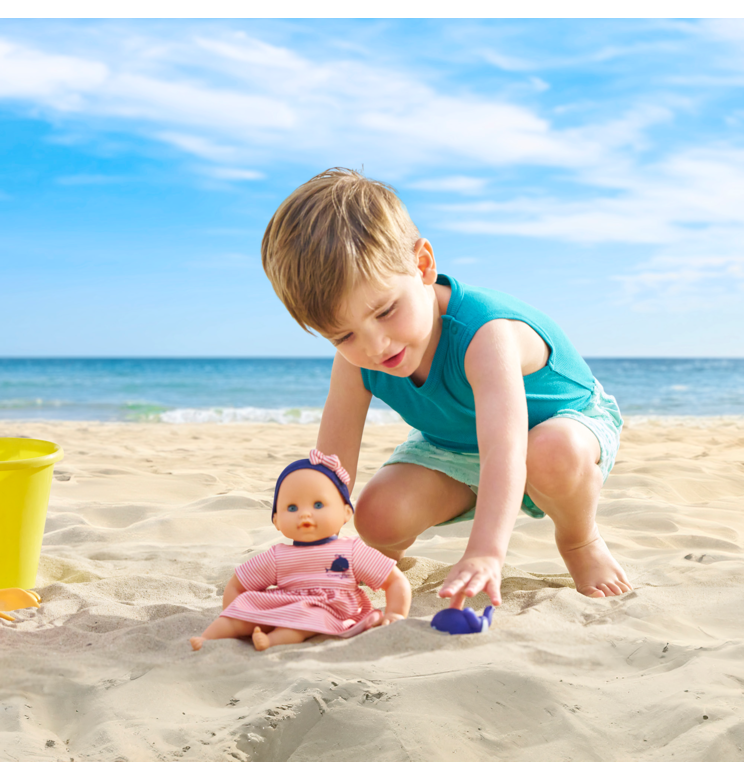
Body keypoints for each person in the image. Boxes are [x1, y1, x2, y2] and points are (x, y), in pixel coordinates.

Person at [261, 168, 632, 609]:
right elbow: (331, 466)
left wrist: (485, 554)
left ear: (422, 266)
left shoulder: (483, 334)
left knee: (550, 454)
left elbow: (504, 451)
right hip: (456, 442)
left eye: (385, 311)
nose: (375, 346)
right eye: (343, 336)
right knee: (377, 517)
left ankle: (580, 542)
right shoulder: (355, 359)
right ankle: (373, 564)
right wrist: (315, 553)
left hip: (557, 430)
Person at [190, 449, 411, 652]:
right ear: (276, 520)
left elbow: (394, 581)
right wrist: (236, 610)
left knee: (306, 618)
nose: (305, 514)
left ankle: (272, 641)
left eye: (317, 505)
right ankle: (208, 638)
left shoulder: (351, 550)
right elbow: (239, 583)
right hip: (287, 604)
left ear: (345, 512)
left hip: (331, 609)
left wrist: (395, 612)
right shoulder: (278, 555)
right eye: (292, 508)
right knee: (241, 613)